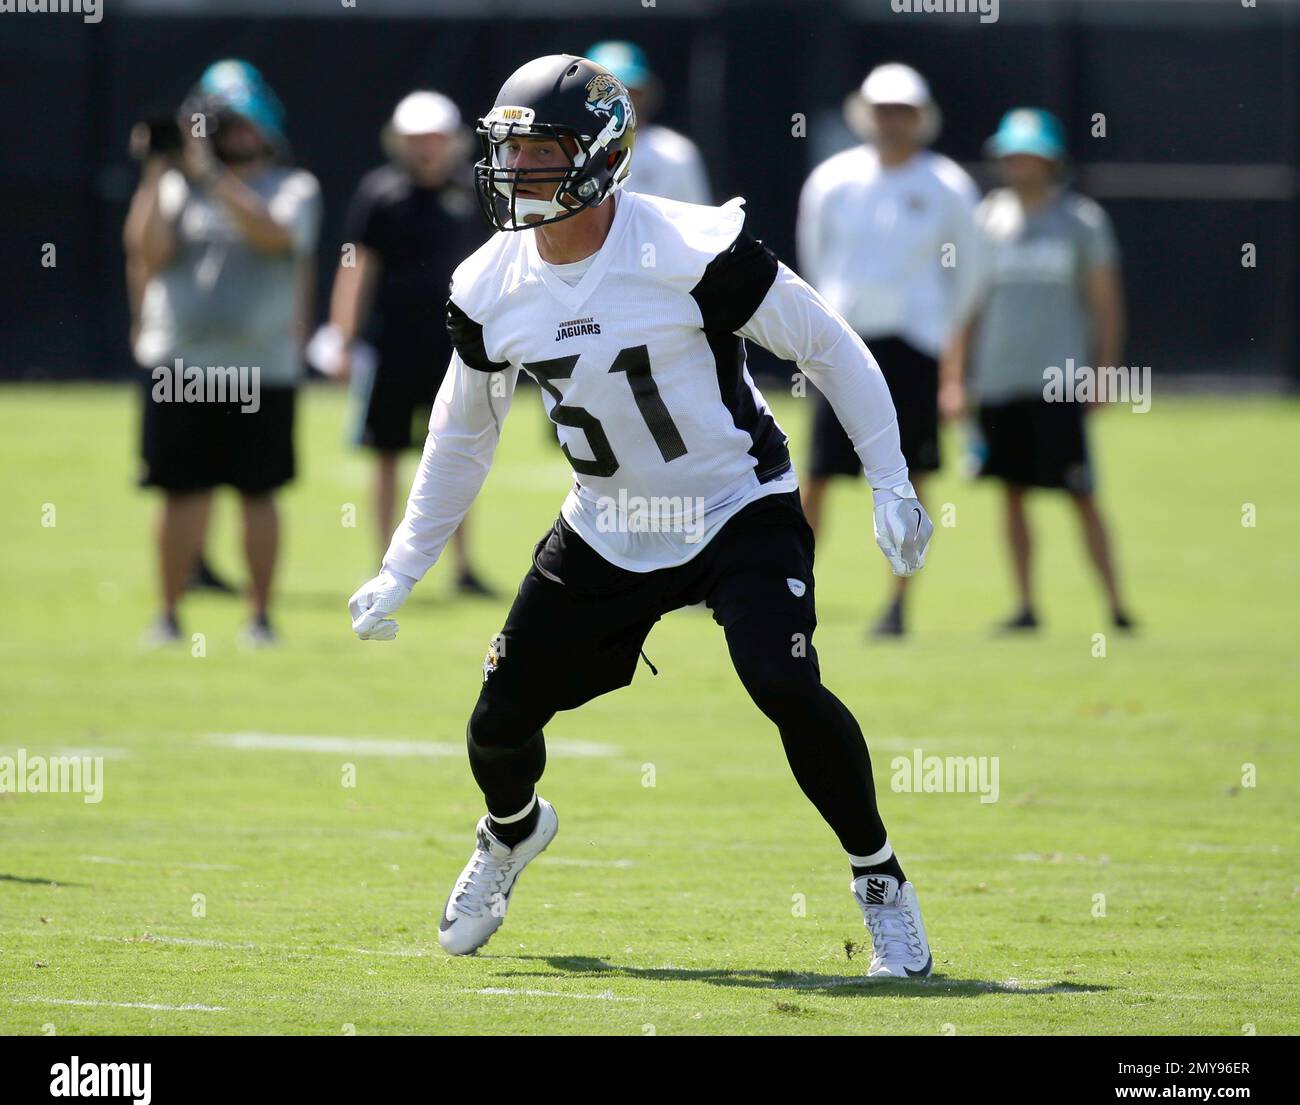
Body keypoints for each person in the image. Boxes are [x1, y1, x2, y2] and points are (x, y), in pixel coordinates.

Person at [348, 55, 936, 977]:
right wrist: (401, 566)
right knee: (496, 726)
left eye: (541, 154)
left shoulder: (692, 248)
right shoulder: (488, 283)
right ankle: (511, 834)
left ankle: (881, 882)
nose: (517, 174)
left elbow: (829, 347)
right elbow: (461, 436)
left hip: (735, 504)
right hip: (608, 523)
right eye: (510, 152)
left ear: (599, 156)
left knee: (781, 682)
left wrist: (891, 477)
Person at [126, 60, 321, 646]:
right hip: (182, 367)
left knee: (259, 492)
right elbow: (147, 253)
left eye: (243, 124)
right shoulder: (173, 185)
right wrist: (157, 170)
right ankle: (168, 613)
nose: (234, 135)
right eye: (221, 124)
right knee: (178, 491)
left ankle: (259, 616)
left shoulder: (292, 186)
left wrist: (209, 176)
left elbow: (276, 235)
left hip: (261, 368)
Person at [797, 63, 980, 637]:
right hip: (845, 346)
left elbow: (971, 273)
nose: (892, 122)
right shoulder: (833, 180)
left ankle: (899, 602)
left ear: (921, 118)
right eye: (883, 111)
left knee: (911, 472)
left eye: (903, 111)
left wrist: (945, 342)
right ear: (866, 115)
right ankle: (792, 587)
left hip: (916, 347)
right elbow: (815, 259)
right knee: (818, 473)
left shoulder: (947, 185)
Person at [943, 108, 1134, 631]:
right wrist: (955, 378)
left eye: (1030, 156)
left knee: (1081, 494)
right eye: (1013, 155)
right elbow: (967, 306)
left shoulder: (1081, 221)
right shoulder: (987, 220)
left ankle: (1116, 607)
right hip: (1000, 380)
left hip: (1059, 381)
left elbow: (1104, 301)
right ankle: (1026, 606)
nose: (1020, 165)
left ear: (1050, 161)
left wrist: (1105, 371)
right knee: (1011, 493)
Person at [326, 91, 493, 593]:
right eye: (417, 139)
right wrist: (342, 336)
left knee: (459, 449)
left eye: (435, 138)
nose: (426, 149)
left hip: (456, 347)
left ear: (452, 142)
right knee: (387, 452)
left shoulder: (474, 192)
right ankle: (386, 562)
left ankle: (463, 567)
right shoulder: (380, 194)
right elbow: (356, 266)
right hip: (393, 343)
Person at [585, 41, 711, 204]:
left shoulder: (677, 153)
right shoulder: (565, 149)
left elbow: (696, 220)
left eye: (630, 91)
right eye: (609, 90)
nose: (622, 100)